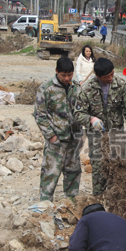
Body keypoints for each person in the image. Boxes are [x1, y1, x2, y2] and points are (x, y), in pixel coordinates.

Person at [73, 58, 126, 196]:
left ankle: (118, 198)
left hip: (116, 133)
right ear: (97, 75)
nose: (110, 78)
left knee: (119, 167)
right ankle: (99, 198)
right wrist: (91, 119)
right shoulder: (87, 89)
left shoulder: (120, 85)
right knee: (98, 168)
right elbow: (78, 113)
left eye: (112, 74)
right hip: (97, 136)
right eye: (106, 77)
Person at [34, 57, 83, 202]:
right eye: (63, 75)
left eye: (70, 75)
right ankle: (45, 201)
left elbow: (81, 110)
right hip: (56, 139)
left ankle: (71, 200)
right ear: (56, 72)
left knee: (73, 170)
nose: (67, 78)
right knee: (51, 171)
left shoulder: (76, 88)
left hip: (73, 137)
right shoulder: (46, 89)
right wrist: (51, 136)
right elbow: (39, 115)